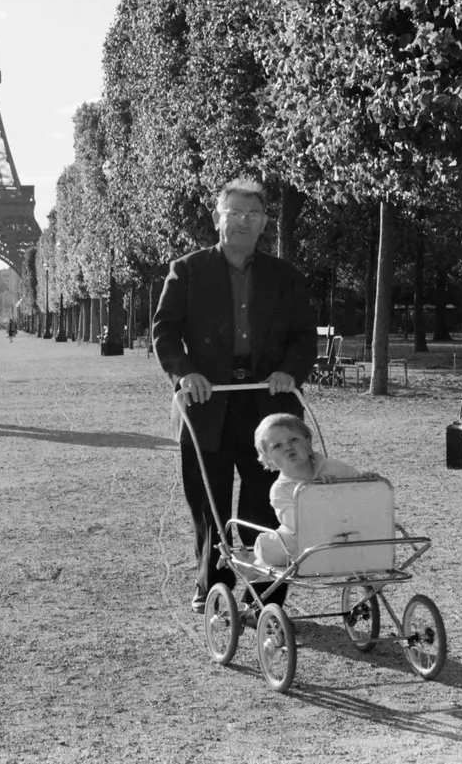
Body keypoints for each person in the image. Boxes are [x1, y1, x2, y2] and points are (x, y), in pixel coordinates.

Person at [152, 176, 316, 613]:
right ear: (217, 218)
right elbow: (164, 331)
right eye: (235, 213)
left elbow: (303, 336)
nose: (244, 221)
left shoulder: (285, 276)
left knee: (268, 498)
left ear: (265, 224)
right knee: (209, 500)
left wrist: (289, 370)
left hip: (268, 401)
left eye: (254, 214)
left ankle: (266, 590)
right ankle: (213, 585)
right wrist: (185, 374)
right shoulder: (186, 270)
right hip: (207, 400)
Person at [252, 413, 359, 567]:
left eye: (293, 440)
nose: (288, 447)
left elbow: (363, 491)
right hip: (302, 539)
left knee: (365, 534)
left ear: (308, 444)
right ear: (269, 461)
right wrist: (317, 494)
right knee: (272, 547)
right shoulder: (280, 490)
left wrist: (368, 480)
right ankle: (257, 559)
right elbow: (297, 524)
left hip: (343, 530)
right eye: (277, 446)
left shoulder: (334, 468)